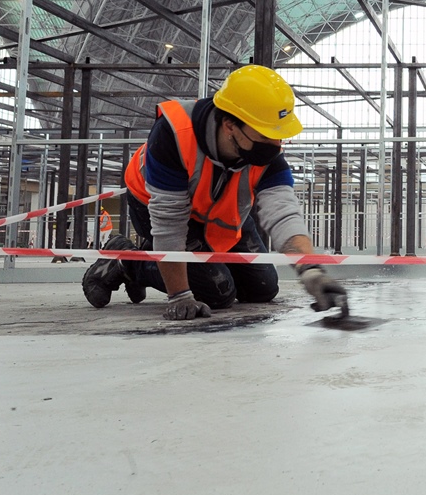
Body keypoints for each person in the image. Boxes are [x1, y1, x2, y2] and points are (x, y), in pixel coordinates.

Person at [81, 65, 348, 320]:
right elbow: (170, 225)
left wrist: (310, 270)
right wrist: (179, 296)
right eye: (265, 134)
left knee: (263, 289)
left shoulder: (267, 155)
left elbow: (283, 214)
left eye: (278, 136)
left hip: (217, 210)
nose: (275, 145)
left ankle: (189, 270)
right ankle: (126, 262)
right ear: (230, 124)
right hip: (155, 205)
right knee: (217, 294)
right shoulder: (174, 135)